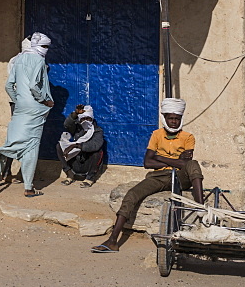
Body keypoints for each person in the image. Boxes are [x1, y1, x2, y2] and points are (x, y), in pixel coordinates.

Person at [91, 97, 204, 253]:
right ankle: (112, 241)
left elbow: (186, 164)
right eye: (170, 118)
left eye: (177, 119)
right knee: (132, 194)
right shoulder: (156, 135)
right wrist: (173, 161)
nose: (173, 122)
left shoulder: (188, 137)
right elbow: (147, 163)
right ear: (164, 118)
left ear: (181, 119)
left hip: (180, 178)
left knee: (194, 164)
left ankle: (201, 209)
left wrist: (159, 157)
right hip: (158, 177)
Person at [0, 32, 53, 198]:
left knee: (12, 139)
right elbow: (35, 85)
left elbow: (8, 85)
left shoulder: (18, 60)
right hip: (36, 108)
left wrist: (19, 100)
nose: (46, 50)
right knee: (32, 145)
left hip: (20, 107)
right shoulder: (39, 60)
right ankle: (28, 187)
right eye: (45, 46)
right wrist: (45, 101)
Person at [57, 104, 104, 188]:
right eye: (83, 119)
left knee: (98, 152)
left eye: (88, 119)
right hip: (76, 162)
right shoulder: (77, 128)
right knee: (59, 146)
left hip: (88, 163)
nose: (85, 121)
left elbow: (95, 145)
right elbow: (67, 124)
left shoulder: (97, 131)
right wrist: (75, 113)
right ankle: (69, 174)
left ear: (92, 119)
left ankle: (90, 178)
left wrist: (76, 146)